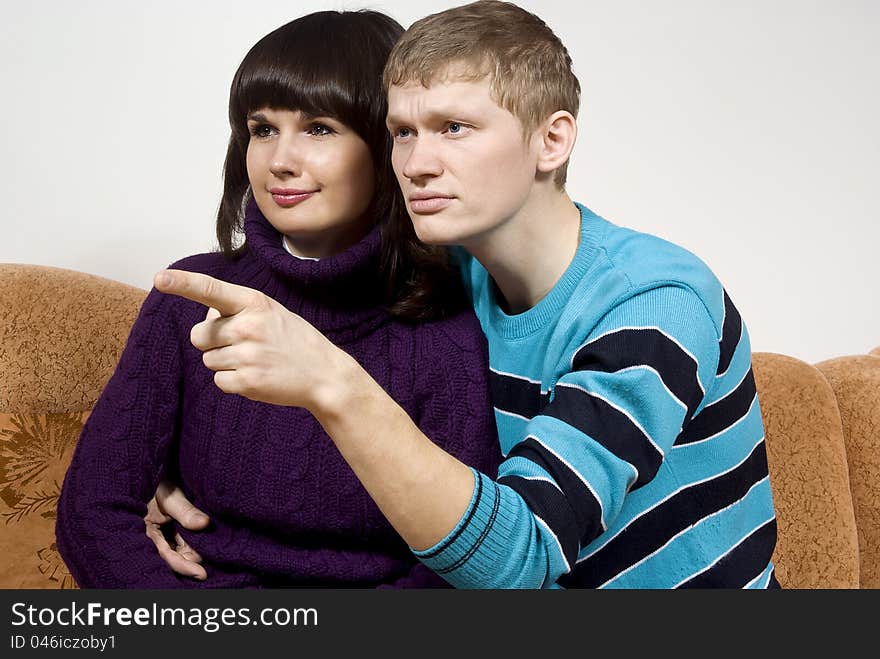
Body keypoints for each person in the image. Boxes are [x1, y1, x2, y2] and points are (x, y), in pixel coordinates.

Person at [154, 0, 779, 588]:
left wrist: (333, 383)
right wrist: (167, 471)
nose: (417, 163)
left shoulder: (654, 302)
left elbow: (521, 561)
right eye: (402, 132)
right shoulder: (447, 273)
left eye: (454, 127)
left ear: (552, 141)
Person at [54, 9, 501, 588]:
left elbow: (455, 565)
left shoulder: (445, 323)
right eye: (263, 129)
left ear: (390, 145)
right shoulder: (190, 300)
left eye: (319, 128)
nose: (280, 160)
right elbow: (92, 515)